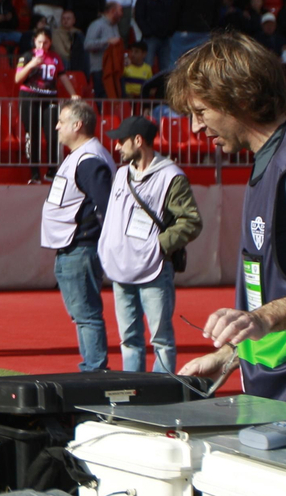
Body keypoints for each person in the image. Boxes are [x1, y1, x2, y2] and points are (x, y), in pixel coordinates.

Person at [174, 35, 286, 403]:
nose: (196, 128)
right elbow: (284, 288)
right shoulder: (277, 156)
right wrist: (230, 355)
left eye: (201, 112)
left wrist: (263, 318)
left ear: (239, 98)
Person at [97, 115, 202, 374]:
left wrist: (159, 245)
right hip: (121, 268)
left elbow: (191, 221)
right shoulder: (122, 174)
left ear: (138, 141)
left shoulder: (171, 177)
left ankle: (161, 394)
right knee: (128, 339)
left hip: (154, 268)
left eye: (122, 141)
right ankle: (131, 390)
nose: (117, 146)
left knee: (161, 339)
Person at [40, 100, 116, 373]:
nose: (57, 126)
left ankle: (93, 372)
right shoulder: (82, 156)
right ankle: (92, 369)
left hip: (81, 247)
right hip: (74, 246)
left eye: (62, 121)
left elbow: (107, 206)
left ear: (78, 125)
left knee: (87, 315)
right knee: (83, 315)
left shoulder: (89, 160)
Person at [16, 26, 78, 182]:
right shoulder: (26, 56)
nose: (42, 46)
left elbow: (63, 77)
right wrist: (32, 64)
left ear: (50, 43)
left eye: (45, 43)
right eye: (39, 42)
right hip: (30, 97)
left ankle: (51, 171)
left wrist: (73, 94)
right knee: (33, 136)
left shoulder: (56, 58)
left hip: (50, 97)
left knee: (53, 134)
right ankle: (35, 174)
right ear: (34, 41)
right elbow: (18, 79)